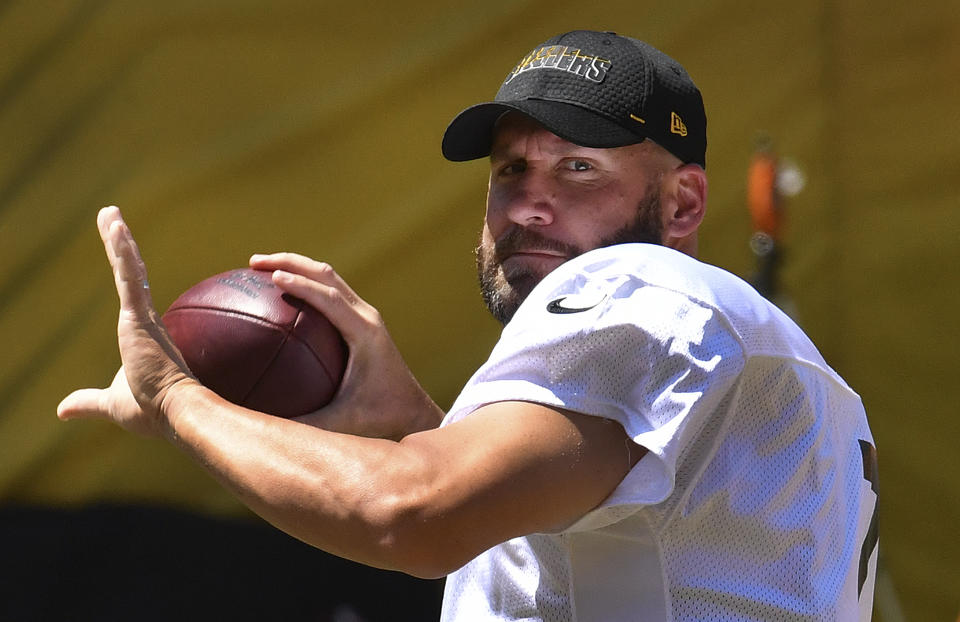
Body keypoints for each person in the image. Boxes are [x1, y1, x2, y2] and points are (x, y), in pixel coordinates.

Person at [59, 30, 878, 621]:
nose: (528, 202)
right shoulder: (744, 350)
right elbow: (600, 551)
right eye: (511, 169)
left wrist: (173, 397)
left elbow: (409, 515)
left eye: (578, 167)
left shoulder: (648, 288)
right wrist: (417, 423)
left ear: (684, 204)